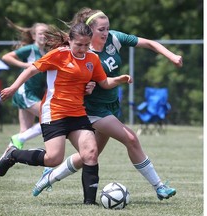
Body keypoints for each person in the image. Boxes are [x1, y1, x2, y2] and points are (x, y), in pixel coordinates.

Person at [32, 7, 183, 201]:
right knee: (131, 138)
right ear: (89, 31)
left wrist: (171, 56)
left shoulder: (114, 38)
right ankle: (160, 186)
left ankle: (49, 177)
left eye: (107, 28)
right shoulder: (84, 51)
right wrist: (89, 86)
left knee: (89, 155)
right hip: (93, 110)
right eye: (101, 29)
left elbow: (150, 43)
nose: (106, 33)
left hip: (111, 106)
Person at [0, 22, 132, 205]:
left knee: (90, 152)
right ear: (70, 40)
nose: (83, 49)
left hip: (77, 113)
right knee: (53, 159)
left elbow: (104, 82)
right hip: (55, 112)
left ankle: (89, 203)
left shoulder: (92, 59)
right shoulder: (59, 54)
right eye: (79, 45)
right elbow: (31, 69)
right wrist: (13, 88)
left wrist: (119, 79)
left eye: (86, 45)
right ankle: (13, 154)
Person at [0, 18, 48, 167]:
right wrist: (26, 65)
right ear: (34, 35)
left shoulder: (48, 51)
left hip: (34, 93)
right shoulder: (30, 49)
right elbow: (6, 57)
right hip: (25, 92)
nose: (43, 36)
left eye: (46, 34)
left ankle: (2, 161)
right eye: (41, 33)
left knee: (24, 132)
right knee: (49, 116)